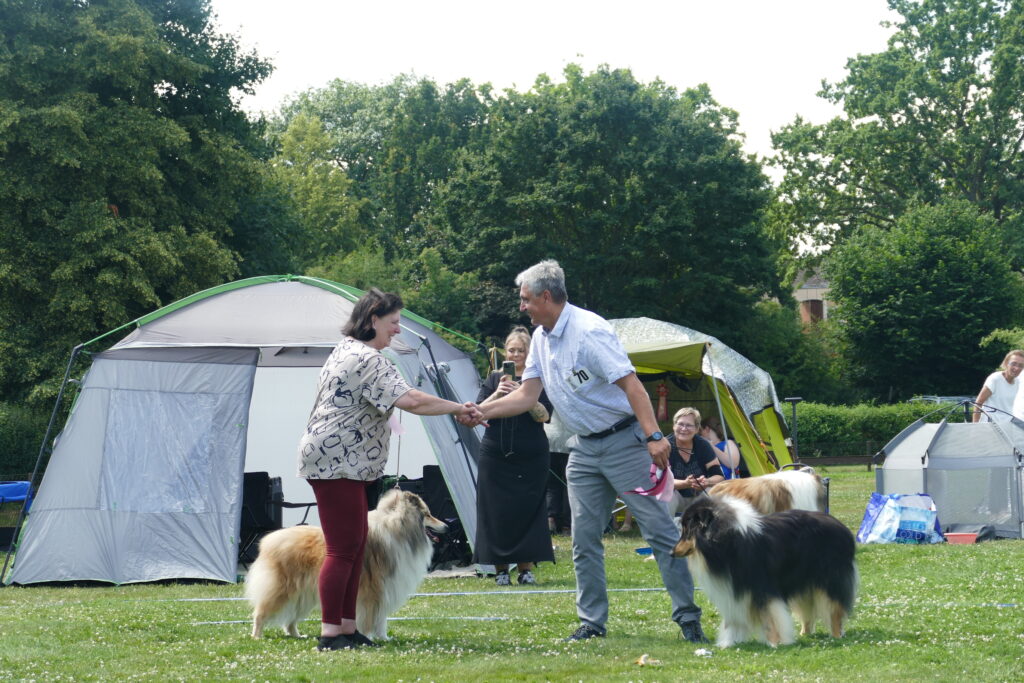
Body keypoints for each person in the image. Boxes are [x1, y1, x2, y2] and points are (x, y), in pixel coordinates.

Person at [475, 259, 710, 643]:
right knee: (583, 540)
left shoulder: (589, 331)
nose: (521, 306)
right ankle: (592, 623)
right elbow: (527, 396)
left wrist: (654, 437)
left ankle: (688, 619)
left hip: (626, 444)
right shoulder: (541, 339)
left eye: (526, 299)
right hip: (584, 450)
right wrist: (481, 411)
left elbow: (633, 386)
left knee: (661, 533)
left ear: (546, 296)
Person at [297, 288, 482, 651]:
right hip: (338, 463)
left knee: (355, 546)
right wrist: (458, 407)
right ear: (373, 320)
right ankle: (330, 634)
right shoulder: (368, 359)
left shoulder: (345, 349)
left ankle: (348, 627)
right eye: (394, 322)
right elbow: (411, 399)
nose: (398, 329)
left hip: (343, 462)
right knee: (341, 550)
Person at [474, 326, 556, 585]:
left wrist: (525, 396)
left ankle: (525, 569)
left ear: (529, 352)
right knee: (495, 510)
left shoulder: (537, 379)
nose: (516, 355)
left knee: (527, 509)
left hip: (530, 454)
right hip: (495, 453)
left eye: (521, 350)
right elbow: (478, 412)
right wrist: (499, 393)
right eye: (512, 350)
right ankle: (500, 570)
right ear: (504, 352)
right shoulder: (493, 379)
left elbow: (545, 416)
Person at [668, 407, 725, 517]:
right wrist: (685, 483)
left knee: (716, 492)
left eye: (689, 425)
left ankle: (714, 526)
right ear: (674, 426)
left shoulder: (703, 445)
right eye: (680, 424)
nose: (684, 428)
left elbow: (719, 476)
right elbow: (662, 482)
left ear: (697, 429)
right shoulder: (666, 446)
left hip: (699, 494)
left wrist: (706, 481)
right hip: (675, 495)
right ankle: (665, 528)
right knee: (665, 494)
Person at [972, 350, 1024, 423]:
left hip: (1007, 424)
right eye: (1013, 364)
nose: (1017, 368)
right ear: (1006, 363)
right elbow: (978, 403)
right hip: (990, 424)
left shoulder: (1018, 382)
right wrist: (975, 426)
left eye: (1020, 365)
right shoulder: (995, 379)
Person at [544, 409, 573, 536]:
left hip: (549, 439)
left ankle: (551, 519)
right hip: (568, 441)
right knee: (569, 486)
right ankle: (567, 526)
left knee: (552, 485)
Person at [700, 414, 743, 479]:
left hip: (730, 483)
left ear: (707, 429)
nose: (700, 435)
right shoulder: (703, 449)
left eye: (700, 431)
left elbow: (733, 464)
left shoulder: (728, 443)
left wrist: (711, 446)